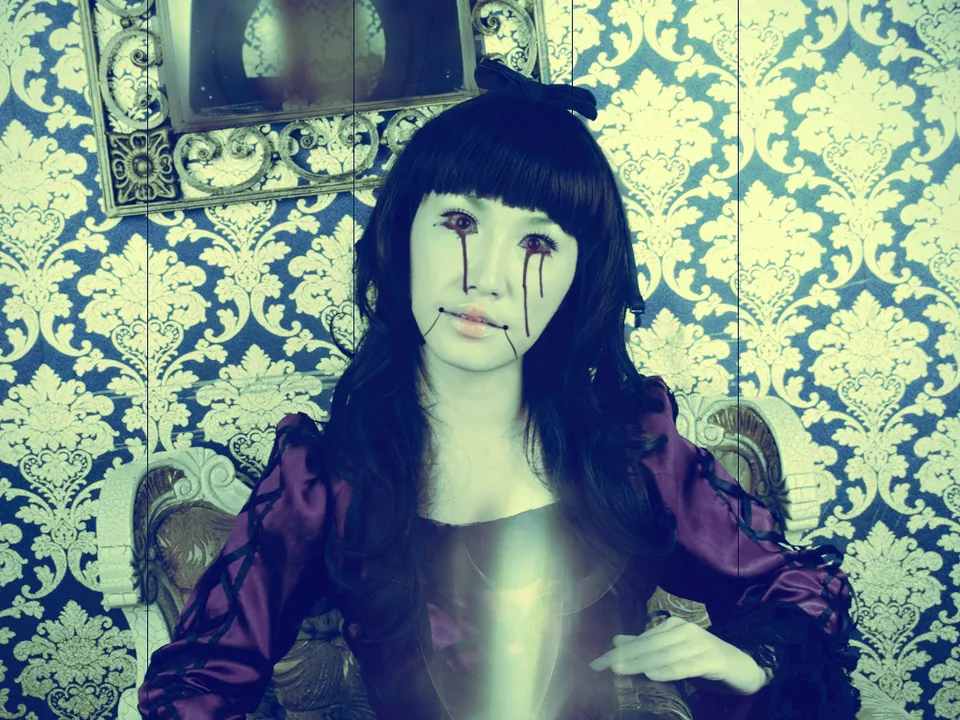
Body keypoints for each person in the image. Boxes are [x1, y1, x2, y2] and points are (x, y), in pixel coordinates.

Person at [137, 59, 862, 720]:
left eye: (537, 244)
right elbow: (197, 679)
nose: (486, 277)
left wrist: (749, 660)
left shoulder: (632, 453)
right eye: (460, 221)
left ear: (578, 278)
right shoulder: (326, 482)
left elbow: (800, 591)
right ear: (402, 235)